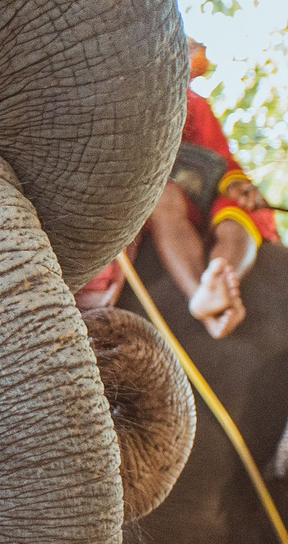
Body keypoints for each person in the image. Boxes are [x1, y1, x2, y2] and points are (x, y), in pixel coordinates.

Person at [75, 41, 277, 338]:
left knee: (239, 212)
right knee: (162, 196)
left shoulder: (192, 103)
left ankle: (220, 277)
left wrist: (236, 185)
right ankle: (199, 294)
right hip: (150, 202)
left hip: (205, 203)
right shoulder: (102, 102)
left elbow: (222, 160)